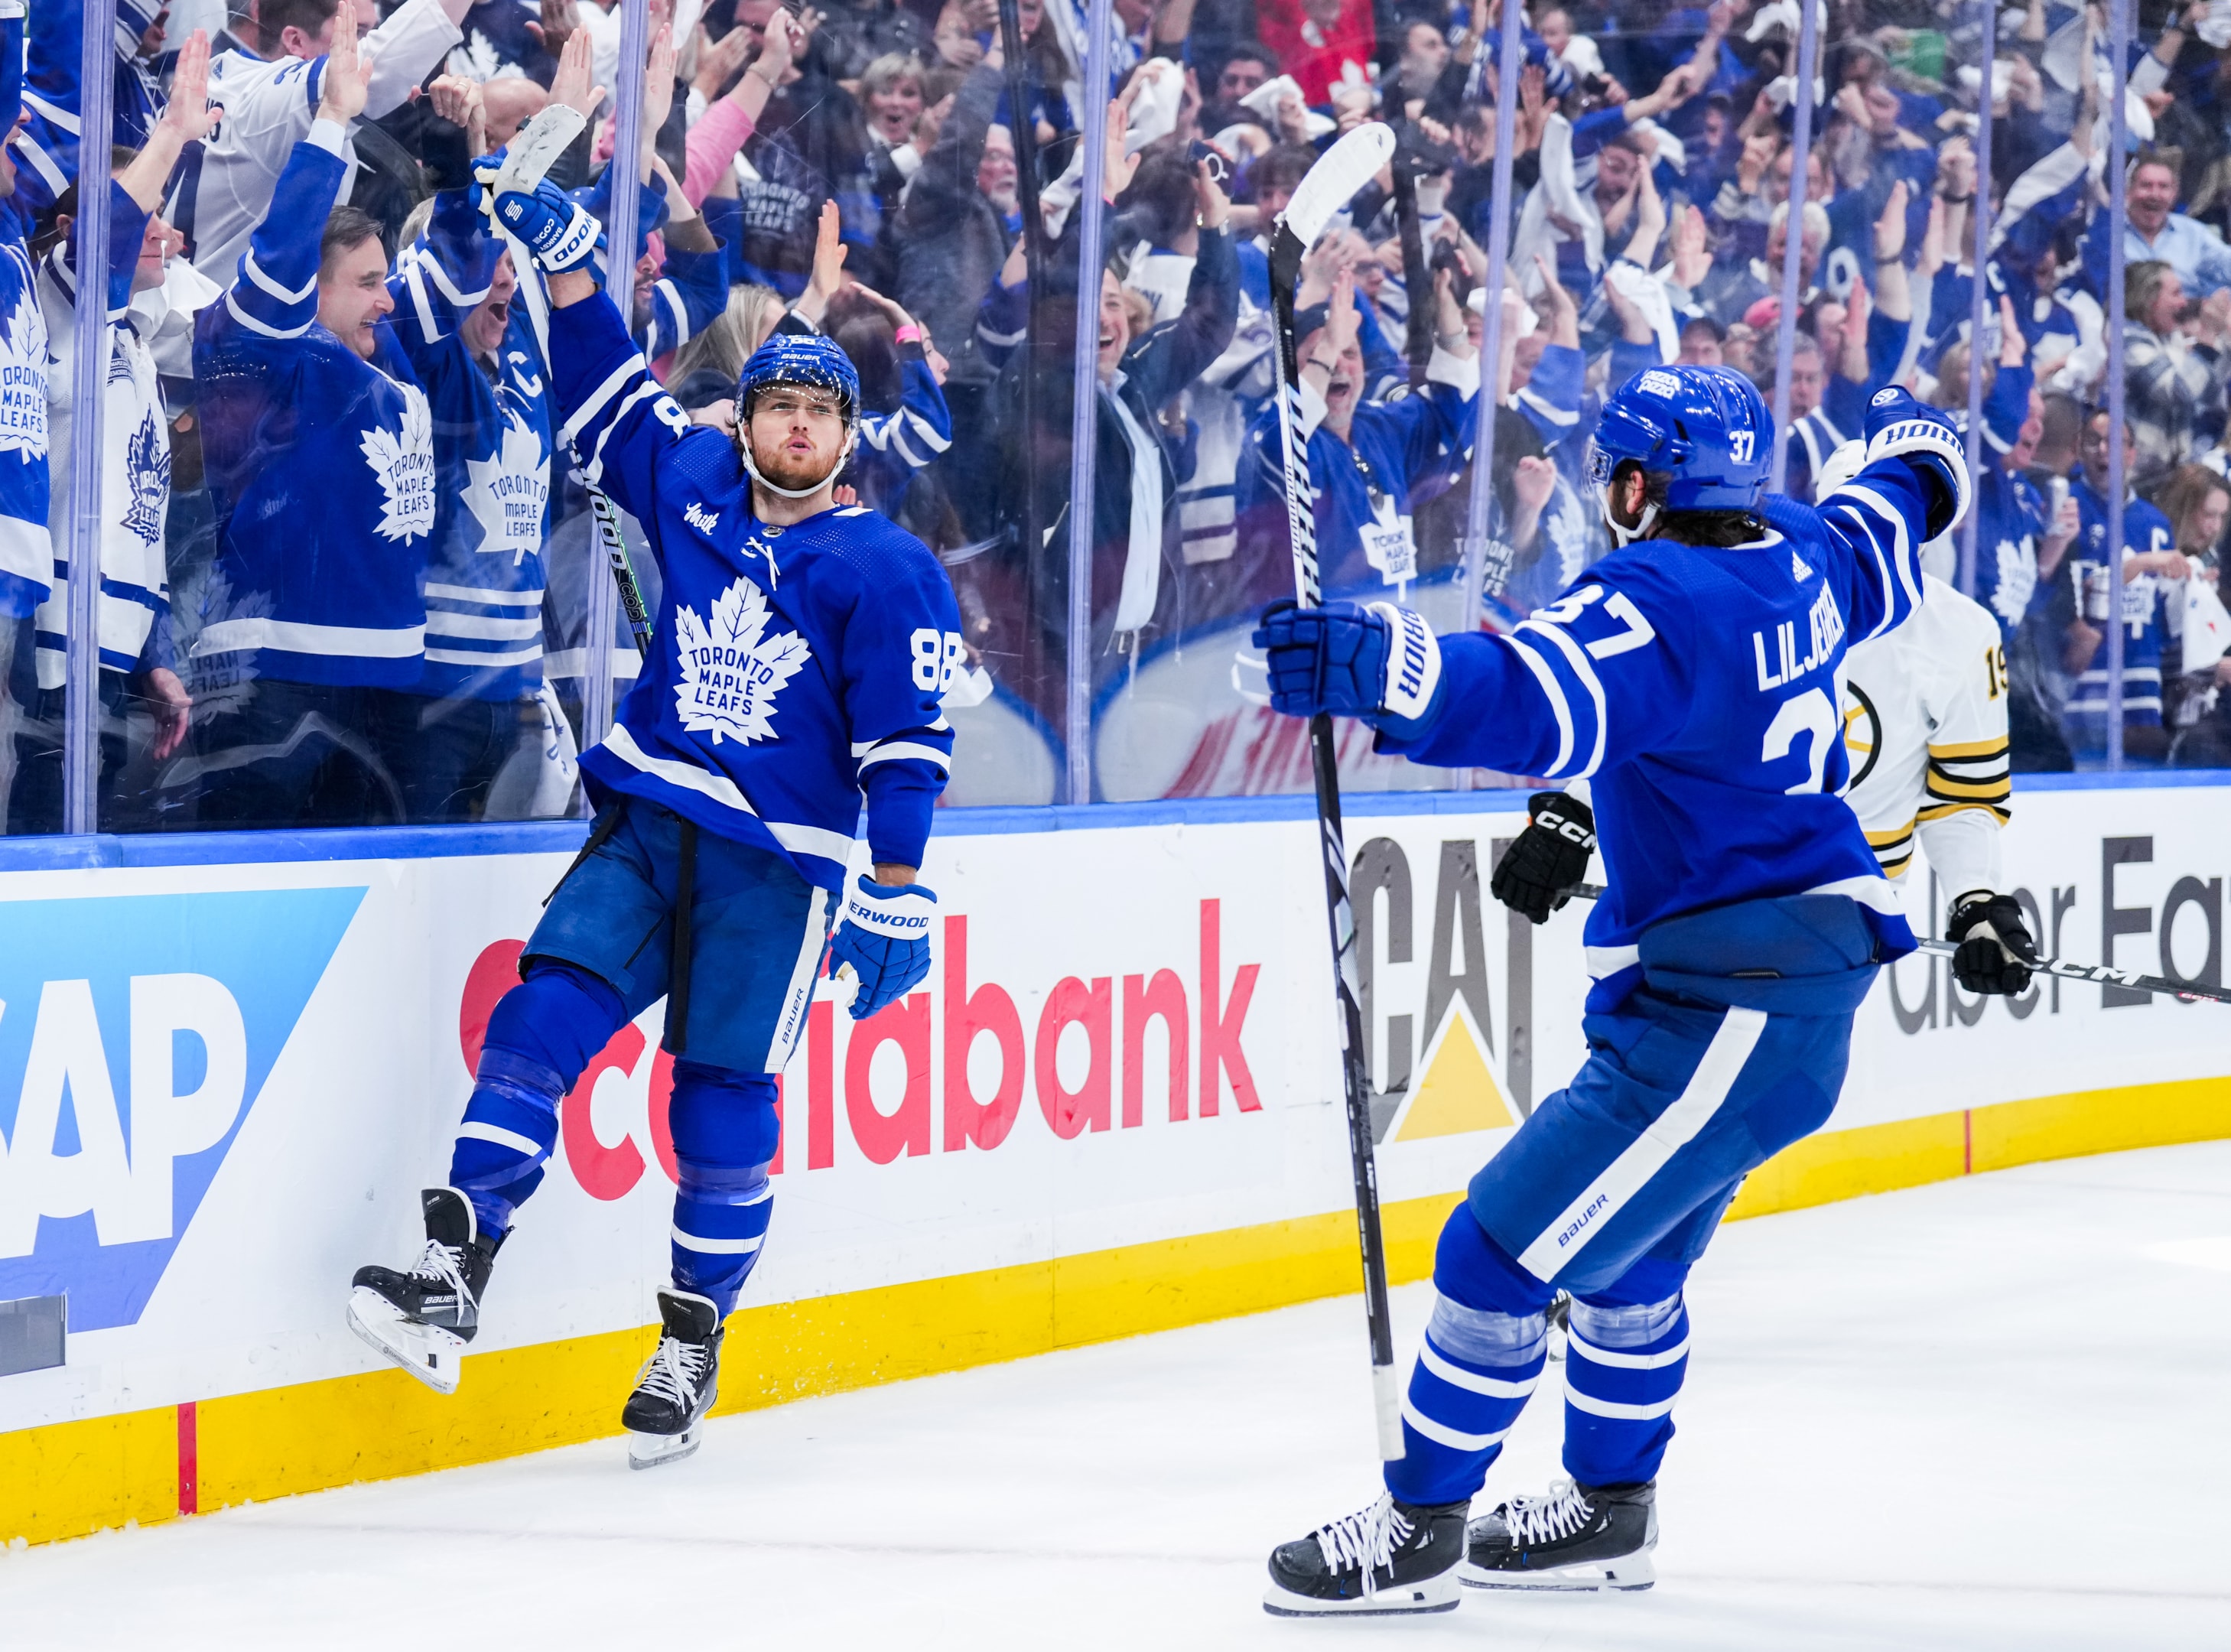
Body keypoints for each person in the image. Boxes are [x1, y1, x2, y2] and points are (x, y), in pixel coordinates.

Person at [1250, 365, 1966, 1613]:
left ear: (1641, 483)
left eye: (1615, 473)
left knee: (1491, 1251)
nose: (1608, 493)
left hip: (1738, 1000)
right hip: (1743, 989)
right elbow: (1890, 513)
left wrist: (1385, 667)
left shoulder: (1656, 593)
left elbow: (1536, 699)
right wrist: (1920, 442)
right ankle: (1607, 1513)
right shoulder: (1799, 551)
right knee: (1625, 1265)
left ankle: (1420, 1525)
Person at [346, 71, 966, 1468]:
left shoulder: (882, 565)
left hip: (777, 868)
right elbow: (611, 402)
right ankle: (457, 1271)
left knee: (716, 1104)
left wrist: (899, 883)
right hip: (647, 819)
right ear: (744, 418)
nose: (796, 427)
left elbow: (904, 746)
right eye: (777, 406)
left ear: (845, 434)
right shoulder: (686, 479)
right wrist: (568, 278)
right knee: (540, 1012)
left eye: (820, 411)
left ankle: (692, 1340)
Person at [186, 4, 436, 828]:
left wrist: (523, 148)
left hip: (389, 682)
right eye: (364, 282)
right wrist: (331, 122)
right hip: (273, 679)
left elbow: (471, 271)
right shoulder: (260, 348)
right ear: (312, 290)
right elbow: (281, 255)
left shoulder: (380, 361)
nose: (385, 297)